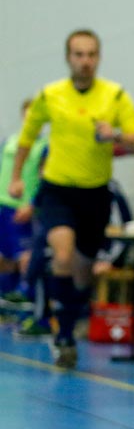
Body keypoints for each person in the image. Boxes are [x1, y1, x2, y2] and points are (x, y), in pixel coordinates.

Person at [9, 29, 134, 368]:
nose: (85, 61)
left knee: (84, 271)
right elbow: (27, 138)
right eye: (78, 55)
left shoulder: (114, 96)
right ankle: (64, 335)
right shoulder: (51, 95)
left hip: (95, 193)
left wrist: (114, 134)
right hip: (58, 189)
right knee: (63, 253)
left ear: (98, 58)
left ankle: (70, 317)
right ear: (68, 58)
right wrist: (16, 177)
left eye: (91, 55)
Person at [1, 98, 47, 302]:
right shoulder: (9, 143)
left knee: (26, 256)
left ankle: (26, 298)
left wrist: (32, 203)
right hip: (4, 206)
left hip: (26, 209)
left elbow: (46, 179)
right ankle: (5, 297)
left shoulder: (45, 147)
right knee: (4, 256)